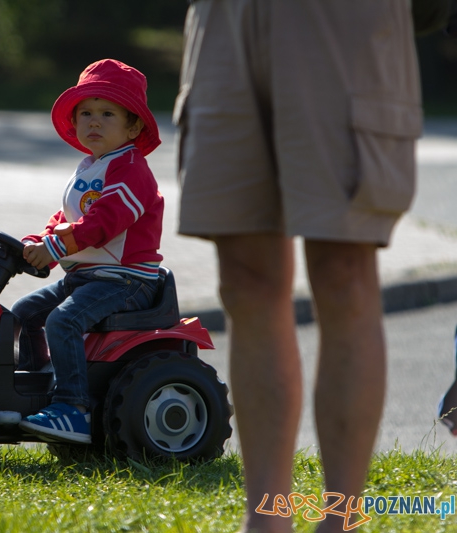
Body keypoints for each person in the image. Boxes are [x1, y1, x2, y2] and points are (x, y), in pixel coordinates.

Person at [174, 2, 421, 532]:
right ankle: (266, 521)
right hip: (226, 18)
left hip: (342, 19)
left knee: (344, 272)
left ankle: (341, 521)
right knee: (244, 279)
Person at [14, 59, 164, 444]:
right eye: (86, 113)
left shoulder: (132, 170)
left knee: (62, 322)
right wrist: (39, 240)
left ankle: (73, 408)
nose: (94, 122)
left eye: (107, 113)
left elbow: (104, 222)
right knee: (24, 313)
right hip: (86, 278)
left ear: (133, 126)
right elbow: (67, 216)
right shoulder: (90, 167)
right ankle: (32, 387)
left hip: (127, 280)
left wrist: (55, 247)